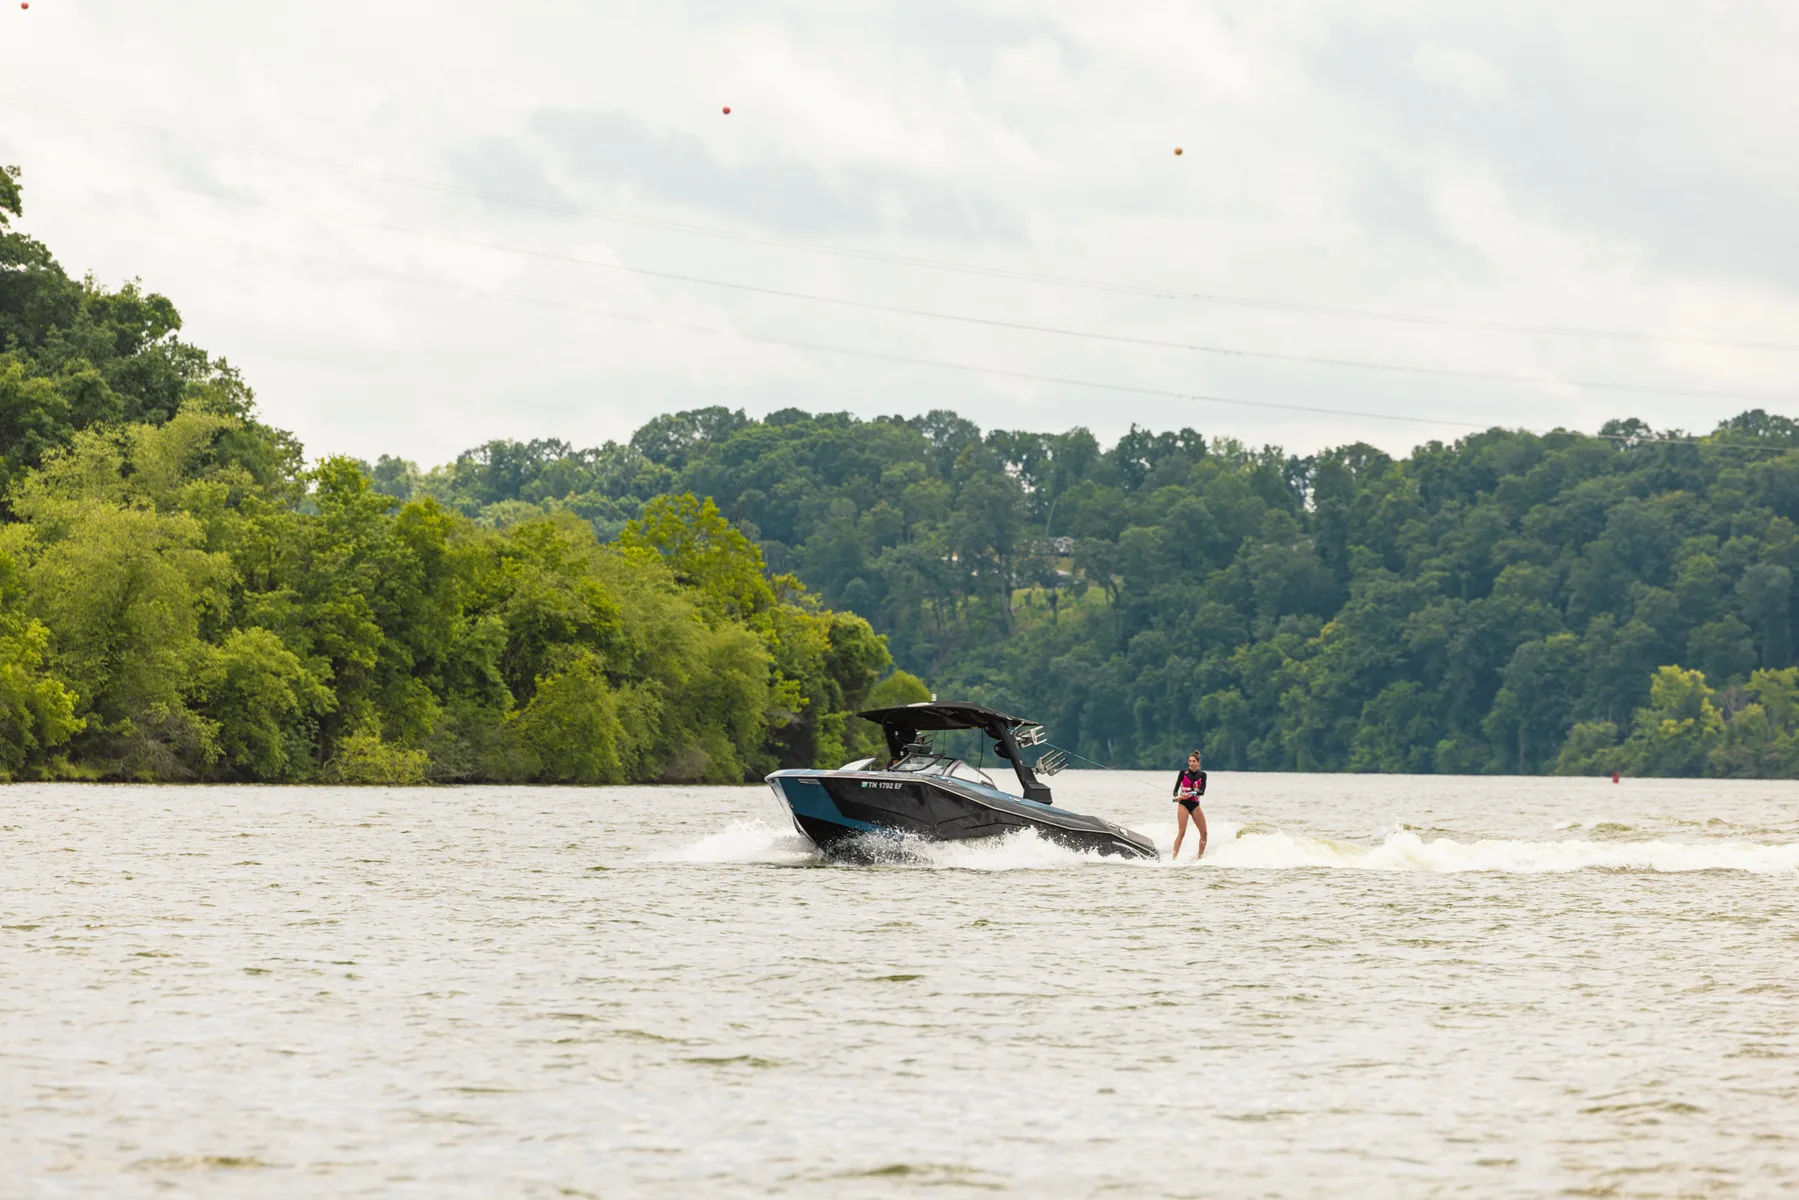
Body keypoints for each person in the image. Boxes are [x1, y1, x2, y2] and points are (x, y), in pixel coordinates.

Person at [1171, 750, 1208, 860]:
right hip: (1183, 804)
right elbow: (1175, 790)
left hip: (1195, 805)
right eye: (1189, 761)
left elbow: (1202, 791)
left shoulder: (1203, 775)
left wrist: (1192, 793)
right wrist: (1176, 796)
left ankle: (1199, 857)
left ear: (1198, 762)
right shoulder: (1183, 773)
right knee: (1182, 832)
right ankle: (1173, 857)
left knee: (1204, 832)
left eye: (1193, 761)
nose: (1191, 763)